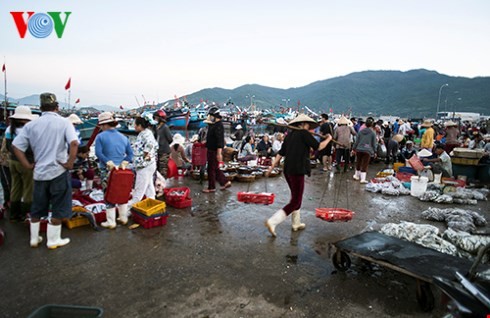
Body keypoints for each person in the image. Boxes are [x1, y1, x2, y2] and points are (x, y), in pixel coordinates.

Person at [13, 93, 78, 249]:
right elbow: (74, 143)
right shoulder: (64, 123)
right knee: (58, 206)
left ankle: (34, 239)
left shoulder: (31, 125)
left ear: (41, 108)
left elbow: (16, 147)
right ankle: (53, 240)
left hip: (39, 173)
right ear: (57, 107)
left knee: (37, 207)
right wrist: (70, 163)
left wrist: (27, 165)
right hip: (58, 172)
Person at [265, 114, 332, 237]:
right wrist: (328, 139)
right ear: (301, 124)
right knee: (295, 200)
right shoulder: (303, 133)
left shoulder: (289, 136)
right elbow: (319, 146)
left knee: (296, 197)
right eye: (307, 124)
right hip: (297, 170)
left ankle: (296, 223)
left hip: (288, 170)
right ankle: (273, 221)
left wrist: (271, 167)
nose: (308, 127)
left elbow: (280, 154)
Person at [95, 112, 134, 227]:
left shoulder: (100, 136)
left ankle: (111, 221)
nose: (101, 128)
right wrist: (124, 161)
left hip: (107, 170)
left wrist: (107, 161)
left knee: (108, 194)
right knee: (122, 192)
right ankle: (123, 217)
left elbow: (98, 153)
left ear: (104, 125)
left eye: (101, 126)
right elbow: (130, 154)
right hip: (122, 170)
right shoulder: (123, 137)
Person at [5, 106, 37, 222]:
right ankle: (25, 214)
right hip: (25, 162)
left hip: (12, 161)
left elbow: (9, 147)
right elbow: (30, 149)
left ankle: (14, 215)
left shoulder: (9, 129)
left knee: (15, 187)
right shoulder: (27, 130)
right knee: (29, 189)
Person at [127, 117, 158, 208]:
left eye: (135, 125)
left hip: (145, 166)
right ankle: (152, 205)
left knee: (138, 191)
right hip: (147, 165)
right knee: (149, 188)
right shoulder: (143, 133)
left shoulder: (147, 134)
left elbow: (150, 144)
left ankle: (126, 211)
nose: (134, 127)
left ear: (140, 125)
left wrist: (145, 155)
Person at [203, 107, 231, 193]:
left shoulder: (219, 126)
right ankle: (225, 182)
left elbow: (220, 140)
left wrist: (219, 153)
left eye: (211, 115)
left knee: (211, 169)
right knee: (215, 168)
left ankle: (211, 187)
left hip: (214, 151)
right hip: (211, 149)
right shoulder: (214, 124)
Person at [352, 118, 377, 183]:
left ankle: (356, 176)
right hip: (367, 150)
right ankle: (362, 179)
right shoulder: (373, 133)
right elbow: (374, 143)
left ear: (365, 124)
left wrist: (354, 149)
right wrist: (375, 151)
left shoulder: (360, 132)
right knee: (365, 164)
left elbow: (357, 141)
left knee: (358, 162)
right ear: (371, 125)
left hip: (359, 149)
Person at [153, 109, 173, 178]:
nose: (155, 119)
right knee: (157, 168)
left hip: (164, 151)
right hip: (157, 151)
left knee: (163, 169)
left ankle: (163, 184)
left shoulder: (165, 127)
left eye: (156, 117)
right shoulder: (157, 127)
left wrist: (163, 143)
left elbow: (170, 139)